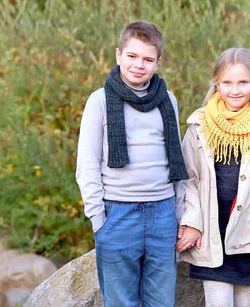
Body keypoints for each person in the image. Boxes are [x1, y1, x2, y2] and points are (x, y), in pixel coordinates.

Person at [76, 20, 188, 307]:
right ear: (118, 55)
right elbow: (87, 163)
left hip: (162, 215)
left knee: (162, 301)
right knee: (120, 302)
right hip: (117, 214)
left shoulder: (168, 100)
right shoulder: (99, 101)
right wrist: (98, 220)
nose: (139, 64)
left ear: (158, 62)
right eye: (132, 56)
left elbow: (176, 161)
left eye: (148, 59)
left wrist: (178, 212)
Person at [176, 47, 250, 307]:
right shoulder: (199, 126)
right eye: (227, 82)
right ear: (216, 83)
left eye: (243, 82)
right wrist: (192, 222)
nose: (235, 90)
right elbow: (188, 179)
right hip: (211, 232)